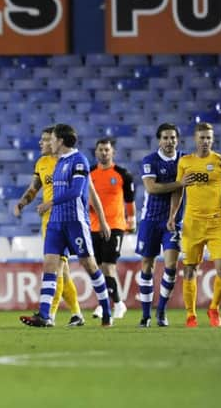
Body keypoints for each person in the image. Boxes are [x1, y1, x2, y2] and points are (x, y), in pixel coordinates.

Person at [136, 123, 221, 327]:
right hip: (150, 220)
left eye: (173, 138)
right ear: (159, 140)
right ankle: (145, 315)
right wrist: (180, 184)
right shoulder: (150, 160)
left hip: (174, 222)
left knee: (171, 266)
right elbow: (151, 188)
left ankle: (161, 312)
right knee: (147, 266)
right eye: (165, 138)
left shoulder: (185, 159)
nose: (169, 141)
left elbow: (209, 159)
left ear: (178, 140)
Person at [14, 126, 111, 327]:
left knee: (90, 266)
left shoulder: (79, 161)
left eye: (52, 139)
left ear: (61, 141)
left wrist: (50, 203)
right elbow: (35, 188)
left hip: (75, 222)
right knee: (50, 266)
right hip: (54, 223)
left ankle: (107, 312)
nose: (48, 142)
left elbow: (77, 191)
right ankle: (44, 315)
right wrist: (24, 203)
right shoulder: (54, 163)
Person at [167, 122, 221, 328]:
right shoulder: (185, 162)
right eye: (202, 138)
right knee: (190, 270)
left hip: (217, 223)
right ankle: (191, 315)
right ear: (195, 139)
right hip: (192, 224)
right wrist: (173, 215)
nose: (205, 141)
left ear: (213, 139)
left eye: (209, 138)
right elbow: (178, 190)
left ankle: (214, 308)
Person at [89, 137, 136, 320]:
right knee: (97, 269)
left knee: (108, 267)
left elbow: (130, 201)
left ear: (113, 152)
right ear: (96, 152)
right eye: (100, 149)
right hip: (93, 226)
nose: (104, 153)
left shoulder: (123, 174)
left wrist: (131, 221)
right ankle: (106, 303)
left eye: (107, 150)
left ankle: (116, 304)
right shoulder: (89, 174)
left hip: (115, 225)